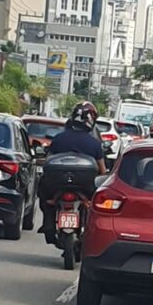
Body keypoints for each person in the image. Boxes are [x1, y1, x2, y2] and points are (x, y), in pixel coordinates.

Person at [39, 101, 106, 241]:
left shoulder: (59, 139)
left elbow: (47, 162)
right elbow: (102, 170)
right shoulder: (95, 144)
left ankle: (48, 222)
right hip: (85, 186)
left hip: (56, 185)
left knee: (44, 194)